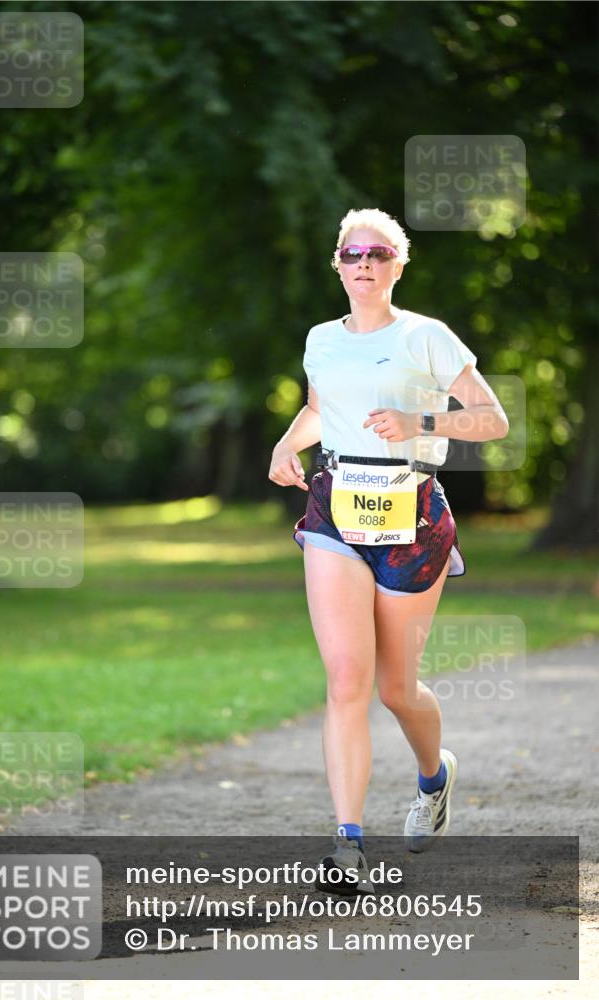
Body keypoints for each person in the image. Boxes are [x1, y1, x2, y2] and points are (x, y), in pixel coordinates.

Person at [268, 207, 509, 895]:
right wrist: (289, 442)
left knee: (395, 688)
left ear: (397, 266)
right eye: (351, 253)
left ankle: (434, 778)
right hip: (335, 512)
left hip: (412, 514)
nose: (363, 262)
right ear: (337, 265)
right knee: (346, 677)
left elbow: (491, 419)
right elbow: (321, 407)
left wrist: (418, 420)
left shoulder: (426, 337)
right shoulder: (321, 339)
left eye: (377, 252)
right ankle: (347, 847)